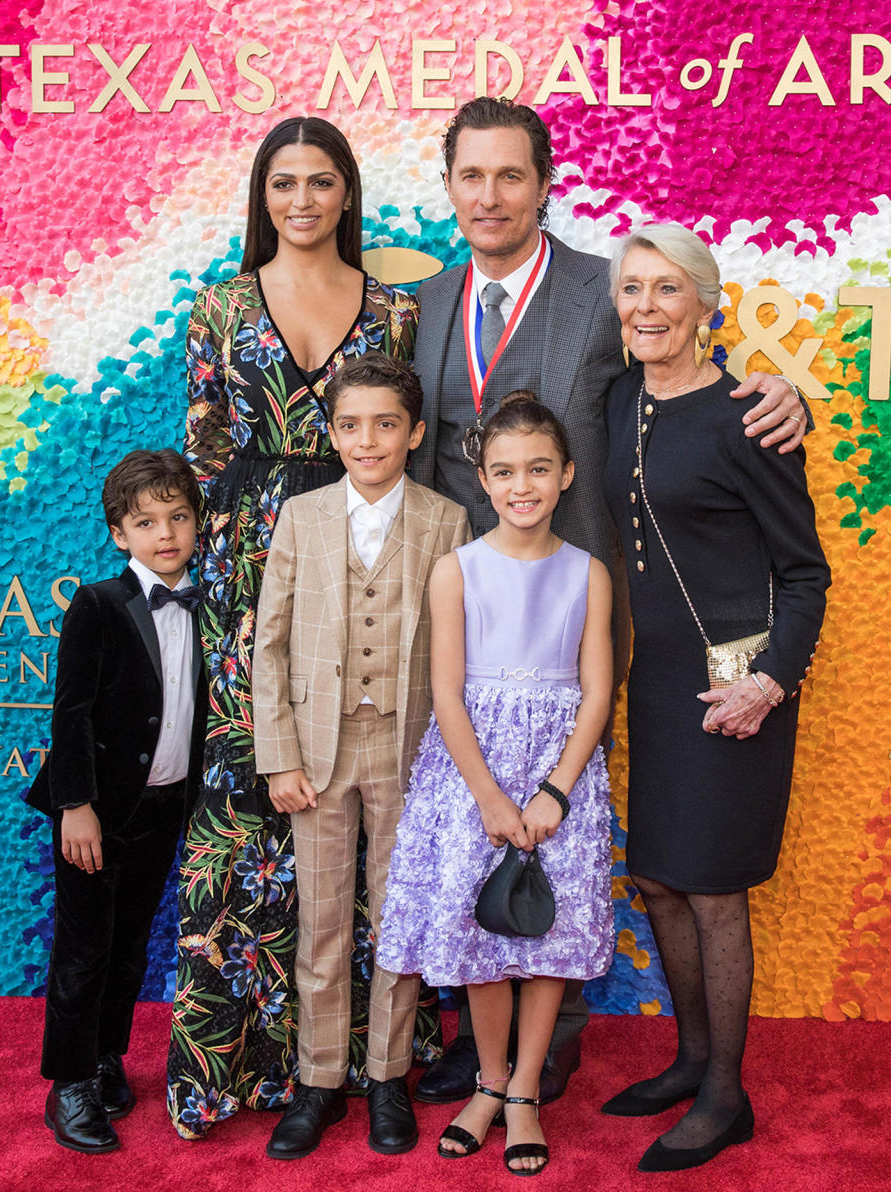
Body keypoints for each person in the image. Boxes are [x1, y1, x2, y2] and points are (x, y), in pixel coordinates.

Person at [409, 94, 812, 1107]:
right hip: (470, 615)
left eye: (512, 174)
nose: (491, 194)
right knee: (476, 819)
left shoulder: (607, 289)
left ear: (546, 184)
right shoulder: (421, 305)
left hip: (588, 626)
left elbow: (690, 379)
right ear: (449, 185)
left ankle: (557, 1046)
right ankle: (482, 1036)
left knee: (576, 821)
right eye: (472, 175)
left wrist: (784, 392)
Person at [166, 118, 438, 1138]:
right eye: (284, 182)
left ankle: (377, 1066)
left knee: (369, 808)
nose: (303, 200)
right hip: (246, 583)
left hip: (366, 562)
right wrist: (214, 581)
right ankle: (247, 1063)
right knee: (253, 801)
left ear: (347, 193)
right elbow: (203, 448)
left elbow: (417, 440)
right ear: (262, 194)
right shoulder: (220, 306)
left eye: (322, 181)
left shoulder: (397, 310)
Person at [601, 223, 830, 1172]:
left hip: (740, 677)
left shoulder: (749, 414)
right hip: (652, 678)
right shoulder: (619, 399)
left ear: (705, 302)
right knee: (656, 876)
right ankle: (690, 1058)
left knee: (713, 887)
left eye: (667, 289)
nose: (647, 306)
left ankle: (728, 1093)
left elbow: (805, 573)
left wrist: (770, 681)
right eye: (632, 289)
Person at [379, 392, 615, 1176]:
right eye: (506, 471)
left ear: (566, 475)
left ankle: (523, 1093)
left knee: (544, 937)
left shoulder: (590, 575)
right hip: (472, 774)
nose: (524, 486)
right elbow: (446, 693)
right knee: (483, 935)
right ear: (483, 479)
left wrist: (555, 791)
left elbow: (596, 693)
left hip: (558, 777)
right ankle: (484, 1081)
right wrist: (488, 795)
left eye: (539, 469)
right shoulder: (457, 571)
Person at [251, 352, 470, 1159]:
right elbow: (267, 647)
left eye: (385, 425)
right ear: (331, 433)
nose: (367, 440)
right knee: (322, 925)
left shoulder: (446, 521)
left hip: (408, 753)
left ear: (414, 433)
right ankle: (317, 1081)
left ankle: (386, 1078)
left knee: (398, 921)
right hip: (316, 753)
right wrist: (278, 756)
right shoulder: (302, 518)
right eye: (350, 425)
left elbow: (462, 651)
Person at [27, 449, 208, 1154]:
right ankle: (68, 1084)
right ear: (119, 534)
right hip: (95, 813)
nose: (165, 534)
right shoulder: (98, 605)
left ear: (197, 524)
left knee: (130, 947)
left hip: (163, 809)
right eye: (146, 522)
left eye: (178, 517)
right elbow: (69, 713)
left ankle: (106, 1058)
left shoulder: (208, 605)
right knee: (83, 951)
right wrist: (76, 806)